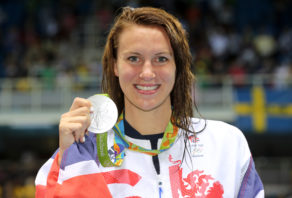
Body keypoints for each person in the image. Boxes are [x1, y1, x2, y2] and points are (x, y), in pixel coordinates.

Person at [35, 7, 264, 198]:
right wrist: (69, 161)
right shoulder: (86, 150)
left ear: (178, 66)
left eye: (161, 59)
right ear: (115, 65)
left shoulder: (226, 145)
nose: (147, 73)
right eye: (133, 58)